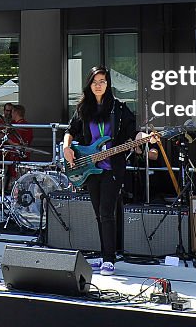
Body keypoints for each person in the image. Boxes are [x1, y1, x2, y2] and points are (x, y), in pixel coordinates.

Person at [62, 66, 138, 276]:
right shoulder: (83, 108)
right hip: (90, 168)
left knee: (107, 212)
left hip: (112, 167)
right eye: (95, 81)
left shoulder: (118, 108)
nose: (98, 85)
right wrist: (66, 147)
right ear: (89, 84)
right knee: (98, 213)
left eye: (103, 81)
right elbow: (70, 131)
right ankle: (105, 253)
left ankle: (109, 259)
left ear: (108, 84)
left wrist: (140, 138)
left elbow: (134, 130)